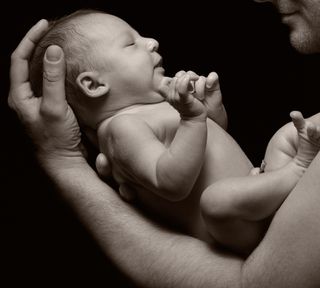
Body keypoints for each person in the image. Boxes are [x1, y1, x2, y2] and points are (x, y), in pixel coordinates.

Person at [8, 1, 320, 288]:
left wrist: (207, 117)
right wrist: (195, 119)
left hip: (254, 202)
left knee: (280, 143)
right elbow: (172, 182)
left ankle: (292, 171)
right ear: (93, 84)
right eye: (131, 43)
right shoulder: (122, 127)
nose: (151, 41)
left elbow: (210, 150)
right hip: (235, 226)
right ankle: (297, 170)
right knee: (217, 199)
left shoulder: (154, 112)